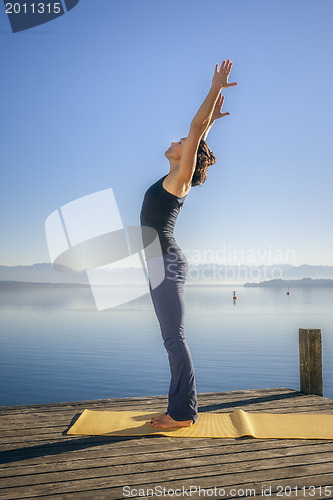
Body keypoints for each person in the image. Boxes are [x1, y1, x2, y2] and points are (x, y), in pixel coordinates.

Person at [140, 59, 237, 429]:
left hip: (165, 261)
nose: (175, 141)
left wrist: (215, 88)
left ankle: (182, 413)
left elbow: (195, 130)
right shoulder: (173, 176)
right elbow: (200, 129)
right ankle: (178, 408)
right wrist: (213, 111)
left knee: (173, 338)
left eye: (181, 142)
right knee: (170, 338)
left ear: (188, 156)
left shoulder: (180, 180)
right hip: (157, 262)